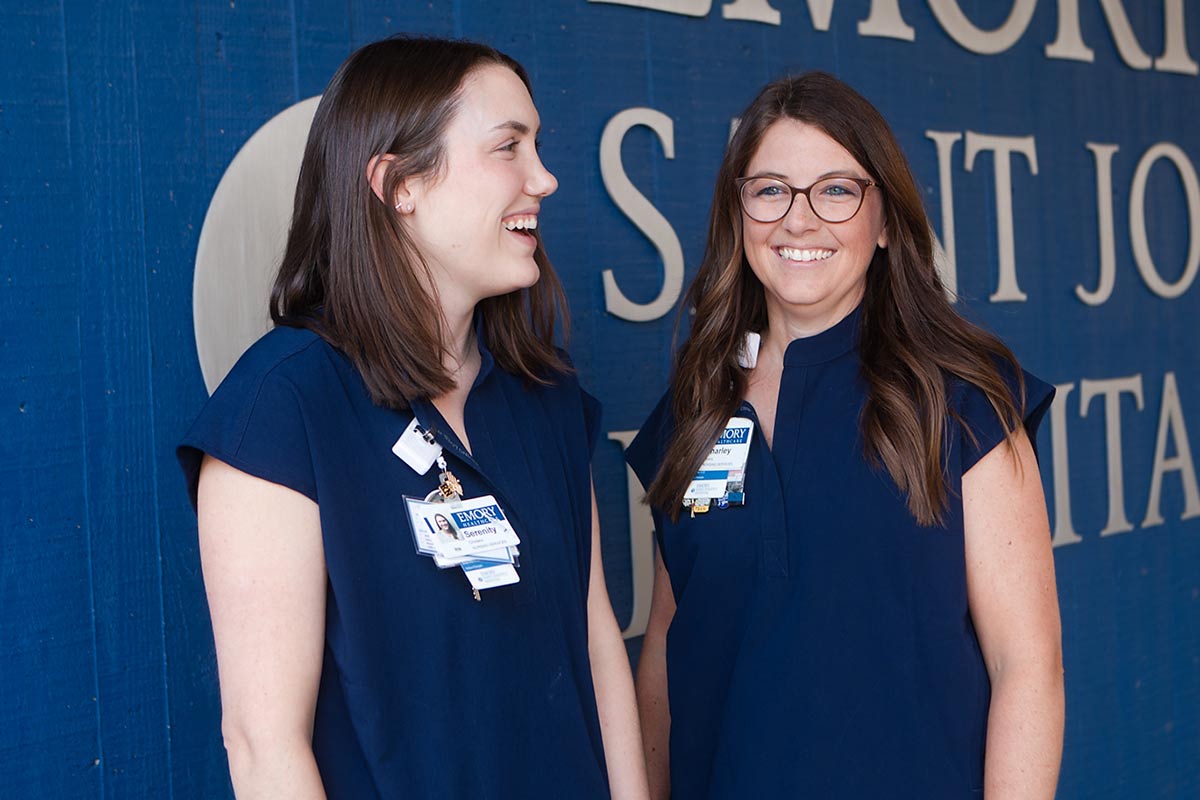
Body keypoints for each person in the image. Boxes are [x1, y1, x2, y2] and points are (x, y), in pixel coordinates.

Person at [179, 36, 648, 799]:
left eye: (538, 145)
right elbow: (265, 749)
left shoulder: (545, 396)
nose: (545, 178)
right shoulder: (281, 412)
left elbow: (597, 645)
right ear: (399, 184)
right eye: (508, 148)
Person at [626, 72, 1063, 799]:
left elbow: (1028, 663)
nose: (798, 220)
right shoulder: (693, 409)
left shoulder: (963, 397)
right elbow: (666, 649)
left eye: (836, 190)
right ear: (737, 214)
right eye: (770, 190)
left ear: (885, 221)